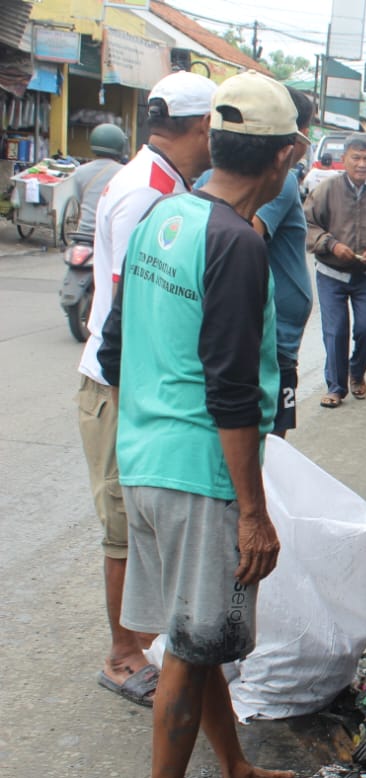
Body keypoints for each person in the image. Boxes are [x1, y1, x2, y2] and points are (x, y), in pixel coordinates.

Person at [99, 70, 298, 778]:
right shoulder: (237, 243)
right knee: (193, 640)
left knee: (196, 629)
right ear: (285, 156)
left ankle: (235, 772)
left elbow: (114, 347)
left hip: (144, 457)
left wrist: (147, 429)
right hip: (198, 470)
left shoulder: (164, 215)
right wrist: (252, 510)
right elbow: (231, 389)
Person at [74, 70, 217, 709]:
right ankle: (122, 655)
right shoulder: (148, 192)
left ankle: (147, 644)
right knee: (124, 528)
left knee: (139, 528)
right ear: (204, 126)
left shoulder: (166, 183)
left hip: (135, 385)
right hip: (120, 387)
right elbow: (130, 311)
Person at [197, 87, 316, 436]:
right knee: (266, 443)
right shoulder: (274, 186)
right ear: (291, 142)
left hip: (270, 341)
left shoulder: (187, 198)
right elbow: (246, 233)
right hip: (269, 343)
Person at [304, 133, 366, 408]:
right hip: (331, 272)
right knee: (335, 332)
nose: (361, 164)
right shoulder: (326, 189)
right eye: (356, 158)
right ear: (344, 159)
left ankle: (356, 372)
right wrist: (332, 245)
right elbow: (309, 224)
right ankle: (336, 387)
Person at [65, 123, 128, 241]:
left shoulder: (79, 171)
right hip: (108, 235)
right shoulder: (126, 173)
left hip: (83, 234)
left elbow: (77, 201)